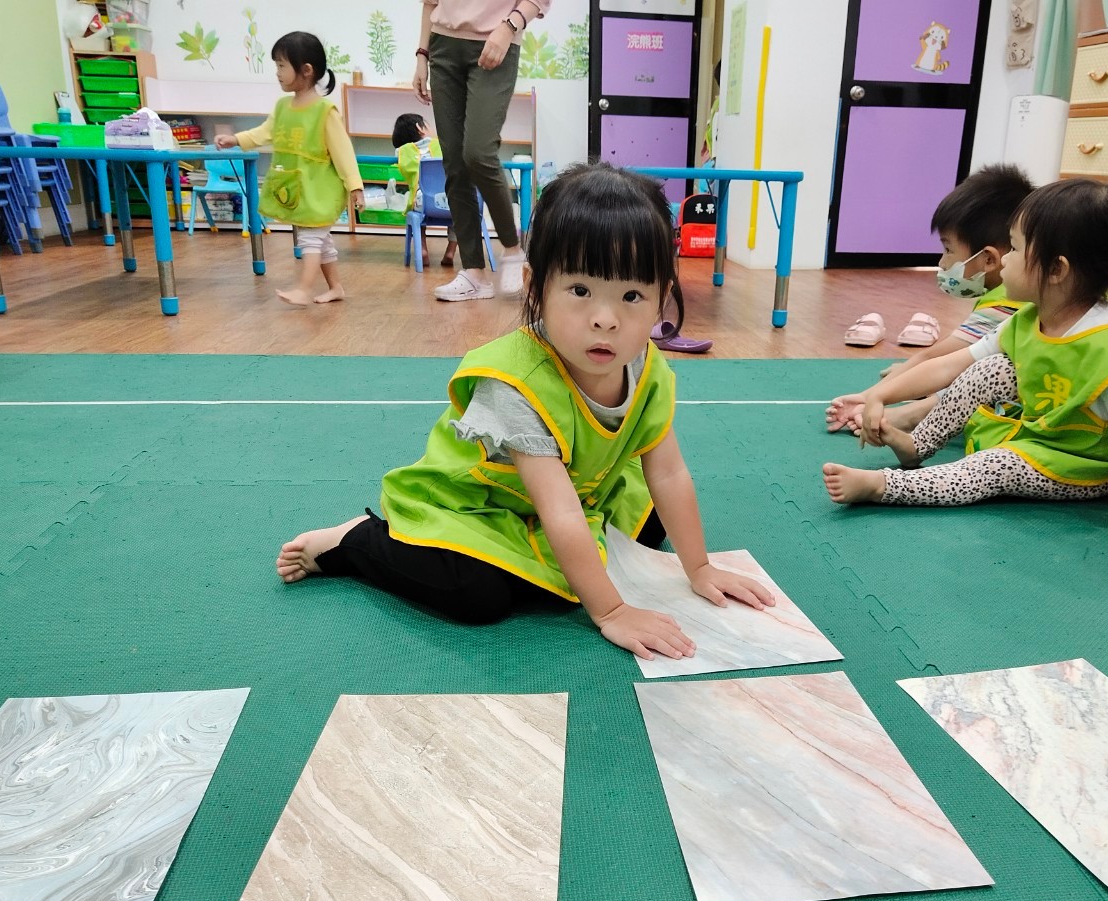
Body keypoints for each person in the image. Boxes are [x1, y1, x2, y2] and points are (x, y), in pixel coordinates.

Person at [275, 163, 776, 657]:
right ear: (537, 287)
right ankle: (357, 542)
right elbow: (557, 511)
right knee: (477, 595)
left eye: (631, 296)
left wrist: (700, 568)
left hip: (572, 496)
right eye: (580, 291)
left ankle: (560, 566)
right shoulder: (519, 384)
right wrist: (612, 612)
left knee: (648, 524)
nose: (605, 320)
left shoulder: (647, 367)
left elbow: (667, 474)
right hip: (477, 504)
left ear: (660, 298)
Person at [823, 178, 1108, 539]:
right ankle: (916, 446)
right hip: (1041, 432)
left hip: (1074, 467)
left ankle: (884, 487)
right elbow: (950, 366)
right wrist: (880, 395)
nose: (1005, 259)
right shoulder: (1025, 321)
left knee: (995, 466)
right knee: (989, 368)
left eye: (1017, 249)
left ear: (1056, 270)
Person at [828, 164, 1034, 435]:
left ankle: (909, 417)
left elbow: (936, 359)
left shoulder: (1007, 303)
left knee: (975, 374)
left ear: (988, 259)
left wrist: (871, 396)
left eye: (948, 249)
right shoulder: (1009, 298)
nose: (942, 261)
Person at [412, 0, 550, 302]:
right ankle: (473, 272)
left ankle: (513, 250)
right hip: (443, 46)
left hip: (496, 41)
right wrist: (422, 54)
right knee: (455, 165)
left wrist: (510, 26)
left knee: (478, 152)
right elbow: (430, 4)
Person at [215, 32, 364, 306]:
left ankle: (304, 288)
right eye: (277, 66)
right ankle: (336, 288)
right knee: (323, 241)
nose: (277, 72)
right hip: (296, 187)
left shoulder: (324, 111)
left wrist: (355, 186)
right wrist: (237, 139)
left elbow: (344, 152)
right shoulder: (283, 106)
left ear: (306, 70)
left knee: (310, 239)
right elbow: (264, 133)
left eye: (282, 66)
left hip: (319, 190)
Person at [391, 112, 458, 268]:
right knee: (458, 212)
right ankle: (450, 251)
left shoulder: (402, 152)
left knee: (417, 210)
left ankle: (423, 250)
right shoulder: (443, 144)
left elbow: (399, 157)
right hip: (448, 201)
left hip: (423, 202)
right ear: (419, 128)